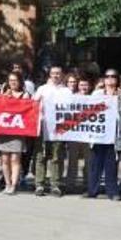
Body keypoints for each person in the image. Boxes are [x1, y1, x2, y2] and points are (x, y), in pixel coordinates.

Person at [87, 69, 121, 201]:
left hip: (115, 134)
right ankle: (92, 190)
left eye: (113, 76)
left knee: (112, 163)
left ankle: (112, 191)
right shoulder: (97, 93)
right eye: (107, 76)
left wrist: (118, 100)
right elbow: (88, 110)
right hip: (99, 133)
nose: (110, 79)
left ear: (117, 79)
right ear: (104, 79)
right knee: (96, 162)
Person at [32, 65, 72, 197]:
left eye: (58, 73)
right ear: (49, 75)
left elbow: (72, 108)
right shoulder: (42, 89)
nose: (55, 76)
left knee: (56, 157)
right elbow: (33, 104)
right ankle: (39, 185)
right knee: (40, 156)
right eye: (53, 73)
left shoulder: (67, 91)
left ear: (62, 75)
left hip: (59, 129)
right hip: (43, 127)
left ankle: (55, 185)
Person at [0, 71, 30, 195]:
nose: (13, 83)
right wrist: (4, 97)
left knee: (15, 159)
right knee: (4, 159)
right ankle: (7, 184)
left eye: (15, 80)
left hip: (18, 131)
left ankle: (14, 184)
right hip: (5, 130)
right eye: (10, 80)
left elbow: (25, 110)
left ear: (20, 81)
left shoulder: (25, 94)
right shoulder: (5, 94)